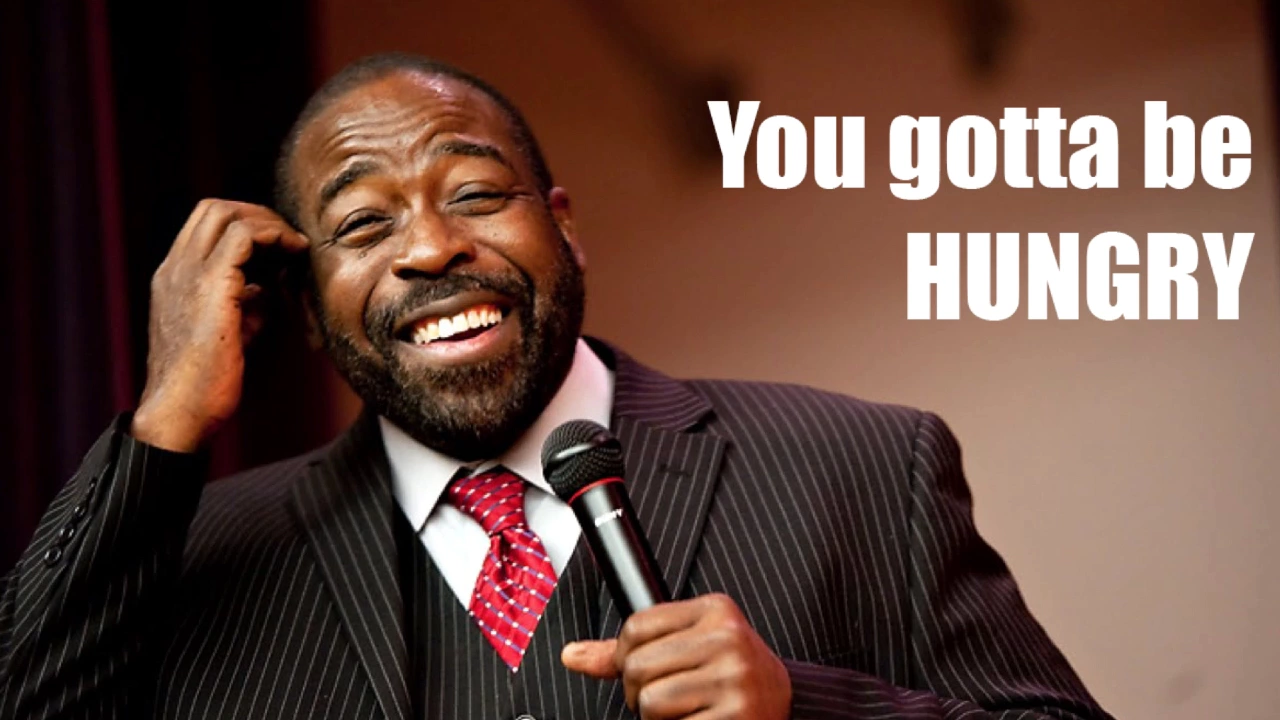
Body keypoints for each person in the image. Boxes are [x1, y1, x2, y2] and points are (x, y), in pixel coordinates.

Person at [0, 53, 1113, 720]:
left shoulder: (859, 466)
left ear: (564, 228)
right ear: (303, 305)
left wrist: (809, 709)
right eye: (363, 223)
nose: (430, 247)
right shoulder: (200, 555)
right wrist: (164, 420)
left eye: (476, 194)